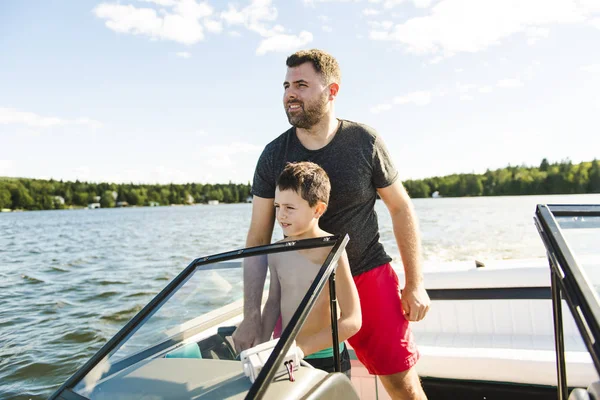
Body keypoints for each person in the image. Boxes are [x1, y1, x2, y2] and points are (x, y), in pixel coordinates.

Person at [233, 48, 430, 399]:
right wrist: (251, 314)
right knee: (295, 387)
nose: (290, 93)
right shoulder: (272, 155)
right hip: (300, 289)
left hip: (367, 274)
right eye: (286, 85)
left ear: (332, 91)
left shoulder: (364, 141)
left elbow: (400, 208)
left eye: (302, 84)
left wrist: (414, 284)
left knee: (404, 388)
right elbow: (258, 236)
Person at [259, 161, 361, 377]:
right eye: (277, 206)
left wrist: (301, 349)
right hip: (287, 357)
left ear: (318, 209)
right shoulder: (277, 251)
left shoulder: (333, 251)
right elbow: (273, 303)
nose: (281, 215)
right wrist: (259, 346)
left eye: (290, 208)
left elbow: (353, 320)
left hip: (328, 360)